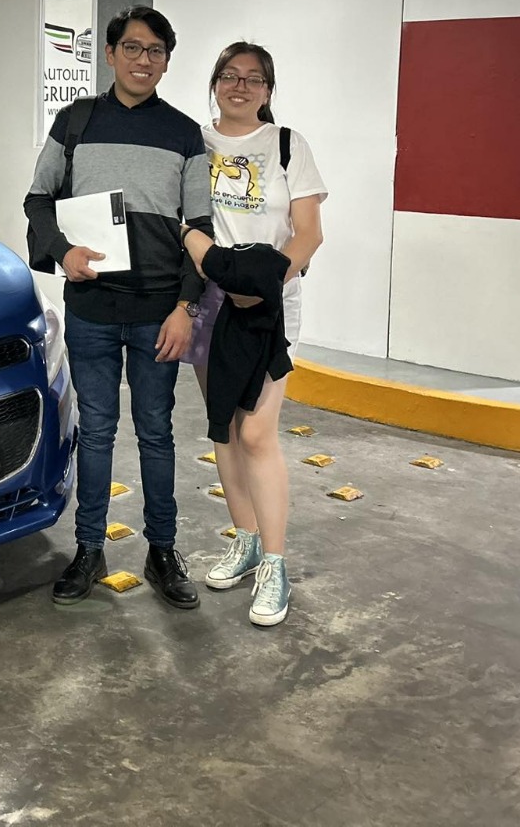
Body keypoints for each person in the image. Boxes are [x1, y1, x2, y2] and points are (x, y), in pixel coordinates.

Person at [24, 6, 213, 609]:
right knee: (98, 432)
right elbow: (37, 201)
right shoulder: (74, 121)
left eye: (155, 51)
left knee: (158, 434)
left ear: (166, 61)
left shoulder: (186, 134)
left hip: (160, 313)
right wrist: (62, 251)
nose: (143, 60)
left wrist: (188, 307)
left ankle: (163, 551)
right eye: (132, 48)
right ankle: (89, 548)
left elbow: (201, 229)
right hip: (92, 310)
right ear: (109, 54)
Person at [180, 41, 326, 626]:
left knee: (259, 431)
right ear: (214, 83)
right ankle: (243, 538)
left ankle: (274, 561)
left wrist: (261, 281)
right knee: (225, 427)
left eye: (254, 79)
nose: (241, 87)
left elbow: (309, 233)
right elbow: (182, 224)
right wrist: (218, 272)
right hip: (208, 304)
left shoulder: (288, 145)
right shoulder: (193, 144)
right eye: (230, 76)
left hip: (269, 307)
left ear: (268, 90)